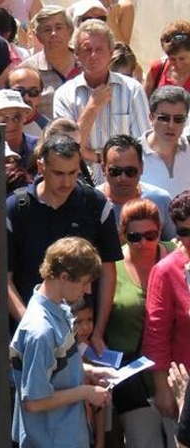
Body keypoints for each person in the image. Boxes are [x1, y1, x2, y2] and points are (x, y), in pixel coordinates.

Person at [6, 134, 122, 354]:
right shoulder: (16, 208)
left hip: (83, 333)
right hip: (34, 336)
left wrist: (97, 331)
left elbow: (108, 270)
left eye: (73, 173)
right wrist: (32, 325)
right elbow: (4, 277)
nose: (67, 182)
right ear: (41, 167)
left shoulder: (95, 204)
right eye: (58, 173)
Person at [10, 236, 112, 447]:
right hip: (50, 440)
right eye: (84, 282)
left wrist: (87, 371)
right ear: (64, 277)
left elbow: (53, 368)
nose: (88, 290)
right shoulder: (41, 331)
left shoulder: (58, 310)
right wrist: (86, 392)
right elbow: (34, 401)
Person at [104, 198, 175, 448]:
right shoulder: (111, 266)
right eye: (135, 237)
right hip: (131, 380)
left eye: (150, 235)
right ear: (123, 235)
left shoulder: (176, 257)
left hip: (174, 372)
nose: (143, 242)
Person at [53, 19, 150, 185]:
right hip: (80, 186)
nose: (93, 56)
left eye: (99, 49)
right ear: (76, 54)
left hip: (125, 183)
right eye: (87, 49)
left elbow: (143, 145)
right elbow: (66, 148)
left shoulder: (132, 90)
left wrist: (96, 156)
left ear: (111, 52)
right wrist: (92, 107)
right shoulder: (64, 95)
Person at [143, 190, 190, 438]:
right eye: (184, 232)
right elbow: (156, 334)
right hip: (185, 383)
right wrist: (163, 389)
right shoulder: (166, 271)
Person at [98, 134, 176, 240]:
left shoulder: (161, 200)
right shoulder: (91, 201)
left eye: (130, 171)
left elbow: (175, 245)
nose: (123, 178)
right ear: (103, 169)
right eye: (115, 171)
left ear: (141, 168)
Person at [20, 5, 81, 119]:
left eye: (59, 28)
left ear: (70, 31)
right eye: (47, 30)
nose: (53, 34)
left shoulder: (86, 63)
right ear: (38, 36)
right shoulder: (27, 71)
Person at [139, 85, 190, 198]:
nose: (171, 126)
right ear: (151, 118)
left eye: (178, 119)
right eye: (164, 118)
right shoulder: (133, 155)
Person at [71, 298, 105, 448]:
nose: (85, 327)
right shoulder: (65, 353)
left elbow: (100, 405)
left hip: (88, 429)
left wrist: (100, 442)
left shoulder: (93, 351)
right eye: (78, 322)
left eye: (89, 320)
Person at [0, 89, 36, 173]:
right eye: (2, 119)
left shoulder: (38, 148)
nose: (10, 125)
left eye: (16, 117)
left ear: (25, 116)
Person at [144, 20, 190, 98]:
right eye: (172, 59)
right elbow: (143, 103)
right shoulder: (157, 69)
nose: (178, 65)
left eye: (182, 59)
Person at [7, 66, 50, 138]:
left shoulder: (49, 131)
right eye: (19, 91)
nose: (26, 98)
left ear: (39, 97)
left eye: (33, 92)